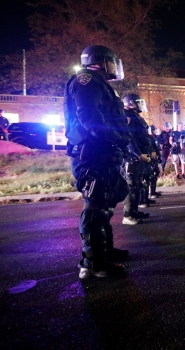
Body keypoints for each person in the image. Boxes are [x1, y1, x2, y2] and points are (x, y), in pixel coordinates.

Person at [64, 44, 130, 278]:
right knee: (94, 206)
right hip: (92, 154)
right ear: (100, 61)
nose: (115, 67)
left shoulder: (99, 83)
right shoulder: (87, 80)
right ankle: (93, 264)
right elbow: (90, 118)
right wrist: (118, 138)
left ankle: (105, 252)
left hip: (103, 153)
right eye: (112, 62)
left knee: (105, 205)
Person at [122, 93, 153, 224]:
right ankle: (128, 215)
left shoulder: (135, 116)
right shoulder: (127, 116)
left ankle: (134, 211)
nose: (140, 105)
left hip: (140, 156)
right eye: (138, 102)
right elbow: (129, 138)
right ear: (131, 103)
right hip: (132, 157)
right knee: (131, 187)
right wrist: (138, 154)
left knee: (138, 185)